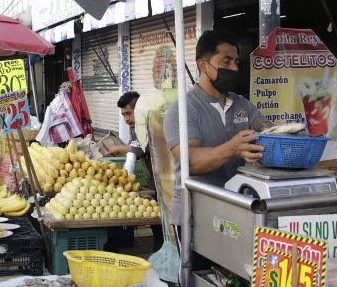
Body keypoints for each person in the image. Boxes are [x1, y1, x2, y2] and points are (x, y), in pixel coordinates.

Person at [163, 30, 265, 250]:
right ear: (203, 66)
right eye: (226, 61)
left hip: (237, 211)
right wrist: (233, 148)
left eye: (236, 62)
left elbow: (265, 133)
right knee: (198, 281)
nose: (235, 68)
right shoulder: (184, 109)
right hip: (196, 216)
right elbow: (191, 162)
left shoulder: (243, 105)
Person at [112, 91, 164, 251]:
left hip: (165, 180)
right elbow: (135, 148)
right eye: (123, 115)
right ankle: (159, 253)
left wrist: (120, 148)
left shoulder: (152, 123)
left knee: (164, 225)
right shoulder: (135, 126)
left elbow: (142, 147)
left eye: (129, 113)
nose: (127, 119)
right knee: (156, 223)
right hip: (153, 180)